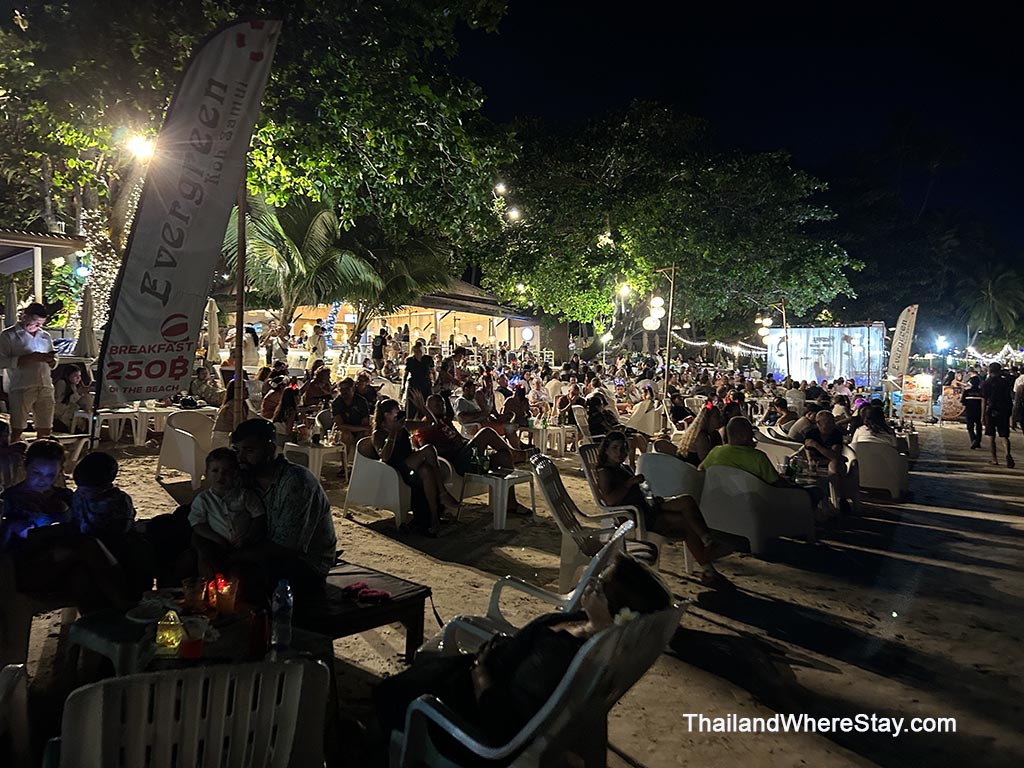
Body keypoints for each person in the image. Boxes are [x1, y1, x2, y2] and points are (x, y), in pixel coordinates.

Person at [374, 553, 673, 749]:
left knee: (391, 694)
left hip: (474, 709)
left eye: (599, 588)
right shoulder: (588, 632)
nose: (590, 584)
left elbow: (503, 725)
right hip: (488, 670)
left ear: (617, 613)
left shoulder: (562, 655)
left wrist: (481, 674)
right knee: (416, 674)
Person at [1, 440, 129, 611]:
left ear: (59, 472)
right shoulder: (9, 499)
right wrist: (10, 527)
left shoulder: (66, 496)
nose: (42, 480)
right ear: (26, 467)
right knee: (87, 546)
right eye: (36, 473)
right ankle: (124, 606)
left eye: (50, 475)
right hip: (31, 565)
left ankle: (97, 625)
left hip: (69, 560)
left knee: (82, 576)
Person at [594, 432, 730, 588]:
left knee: (686, 501)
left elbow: (639, 491)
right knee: (686, 524)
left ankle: (708, 541)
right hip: (636, 517)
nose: (619, 452)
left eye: (623, 447)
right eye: (614, 448)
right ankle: (709, 569)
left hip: (647, 506)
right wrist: (629, 483)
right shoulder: (605, 472)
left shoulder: (623, 467)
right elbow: (610, 501)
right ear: (606, 450)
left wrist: (648, 494)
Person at [230, 419, 337, 601]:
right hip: (266, 551)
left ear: (270, 450)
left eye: (249, 451)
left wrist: (233, 556)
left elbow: (287, 548)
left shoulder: (296, 482)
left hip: (305, 565)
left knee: (245, 577)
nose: (241, 458)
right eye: (237, 451)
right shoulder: (247, 477)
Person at [413, 392, 533, 516]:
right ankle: (515, 453)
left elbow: (460, 439)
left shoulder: (445, 421)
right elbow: (426, 449)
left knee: (504, 457)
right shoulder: (424, 426)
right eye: (436, 405)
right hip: (455, 461)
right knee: (485, 432)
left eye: (442, 403)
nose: (441, 406)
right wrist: (452, 446)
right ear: (428, 407)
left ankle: (511, 503)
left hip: (466, 454)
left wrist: (472, 443)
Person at [372, 398, 459, 536]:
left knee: (427, 471)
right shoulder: (378, 433)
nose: (400, 413)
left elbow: (431, 424)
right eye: (396, 411)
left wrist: (423, 407)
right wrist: (393, 433)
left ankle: (434, 518)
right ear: (386, 415)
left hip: (411, 462)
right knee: (429, 449)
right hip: (396, 468)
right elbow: (384, 456)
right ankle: (443, 493)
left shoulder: (404, 425)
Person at [71, 451, 153, 594]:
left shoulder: (119, 501)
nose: (82, 493)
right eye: (80, 489)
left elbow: (122, 529)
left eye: (87, 491)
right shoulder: (79, 496)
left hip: (115, 545)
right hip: (86, 543)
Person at [189, 448, 267, 577]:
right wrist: (217, 539)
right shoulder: (203, 500)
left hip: (245, 544)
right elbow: (197, 523)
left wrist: (248, 537)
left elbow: (258, 516)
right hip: (216, 545)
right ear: (207, 474)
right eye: (215, 471)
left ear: (235, 474)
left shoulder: (245, 496)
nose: (220, 476)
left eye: (226, 472)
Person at [0, 302, 58, 441]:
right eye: (35, 323)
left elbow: (55, 360)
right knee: (18, 426)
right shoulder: (8, 336)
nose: (38, 327)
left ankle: (42, 453)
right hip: (21, 385)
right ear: (24, 317)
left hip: (45, 385)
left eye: (41, 324)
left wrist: (51, 360)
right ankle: (14, 455)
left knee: (45, 426)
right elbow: (2, 361)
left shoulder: (45, 336)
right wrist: (26, 359)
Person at [981, 362, 1014, 467]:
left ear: (990, 371)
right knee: (1004, 435)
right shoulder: (1005, 382)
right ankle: (1007, 453)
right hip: (1003, 410)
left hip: (991, 410)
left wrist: (982, 415)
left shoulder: (987, 383)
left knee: (991, 436)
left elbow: (984, 399)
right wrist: (1010, 415)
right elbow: (1009, 398)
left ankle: (994, 459)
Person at [330, 377, 372, 458]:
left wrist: (362, 428)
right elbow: (339, 425)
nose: (344, 391)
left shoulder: (361, 401)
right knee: (346, 434)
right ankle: (344, 464)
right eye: (341, 389)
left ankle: (363, 461)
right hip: (342, 431)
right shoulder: (336, 403)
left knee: (368, 434)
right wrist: (361, 428)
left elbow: (366, 423)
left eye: (347, 388)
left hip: (359, 430)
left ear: (353, 389)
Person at [53, 364, 92, 432]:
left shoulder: (73, 386)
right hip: (61, 411)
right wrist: (78, 394)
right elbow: (60, 400)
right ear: (68, 375)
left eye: (79, 376)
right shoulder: (61, 383)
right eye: (75, 376)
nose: (78, 378)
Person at [402, 341, 434, 418]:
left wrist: (433, 381)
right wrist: (403, 385)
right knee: (412, 405)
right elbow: (406, 374)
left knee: (426, 403)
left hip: (425, 383)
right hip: (415, 384)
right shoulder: (410, 360)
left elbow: (433, 371)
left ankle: (427, 419)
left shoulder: (428, 359)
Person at [0, 420, 27, 487]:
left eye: (6, 435)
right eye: (3, 435)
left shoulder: (13, 452)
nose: (4, 439)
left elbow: (22, 445)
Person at [961, 374, 984, 449]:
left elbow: (963, 402)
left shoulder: (967, 392)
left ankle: (973, 439)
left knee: (970, 427)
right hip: (979, 412)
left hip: (969, 412)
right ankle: (977, 441)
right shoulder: (981, 392)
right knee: (979, 427)